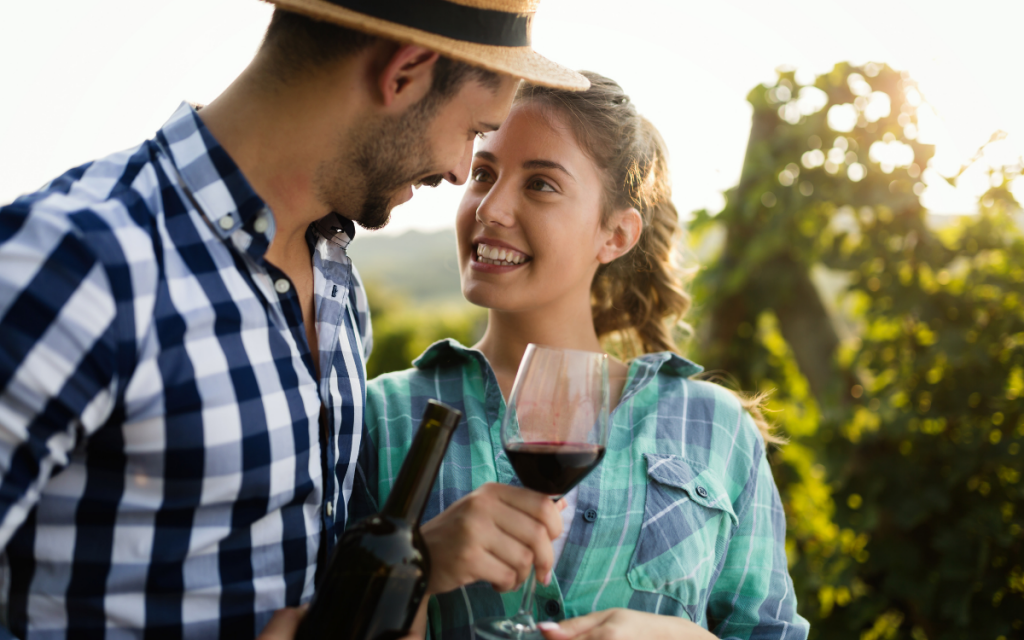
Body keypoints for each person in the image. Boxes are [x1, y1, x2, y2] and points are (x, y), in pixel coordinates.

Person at [0, 1, 587, 637]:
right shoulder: (74, 261)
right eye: (473, 128)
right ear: (405, 73)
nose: (456, 167)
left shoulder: (335, 280)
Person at [351, 71, 811, 639]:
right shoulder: (382, 416)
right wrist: (416, 570)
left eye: (540, 184)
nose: (491, 209)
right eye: (482, 174)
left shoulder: (715, 427)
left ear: (615, 235)